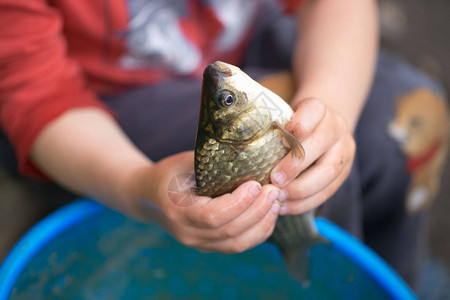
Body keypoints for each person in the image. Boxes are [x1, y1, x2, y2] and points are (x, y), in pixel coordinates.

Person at [0, 0, 446, 287]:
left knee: (400, 128)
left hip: (247, 42)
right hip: (103, 105)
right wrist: (137, 187)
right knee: (308, 191)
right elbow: (35, 92)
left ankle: (392, 280)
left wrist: (332, 110)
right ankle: (311, 280)